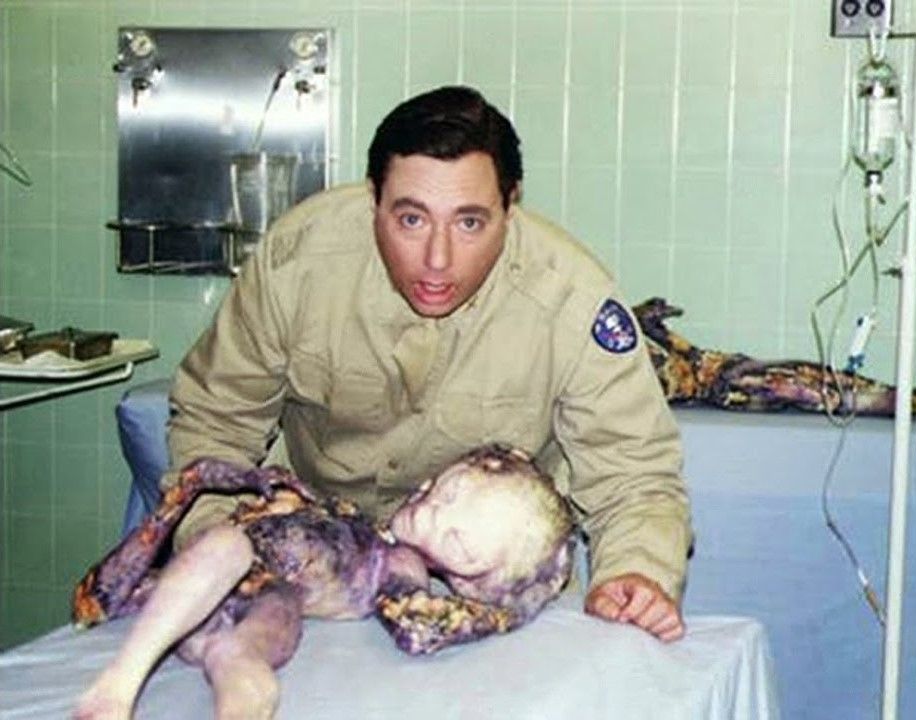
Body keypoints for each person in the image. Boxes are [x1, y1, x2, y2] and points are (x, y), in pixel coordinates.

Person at [166, 85, 692, 643]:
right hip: (314, 570)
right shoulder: (297, 265)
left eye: (470, 223)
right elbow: (216, 423)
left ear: (510, 206)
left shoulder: (571, 300)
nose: (438, 260)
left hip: (494, 591)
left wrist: (635, 573)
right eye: (412, 220)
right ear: (373, 199)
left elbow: (633, 475)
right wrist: (222, 546)